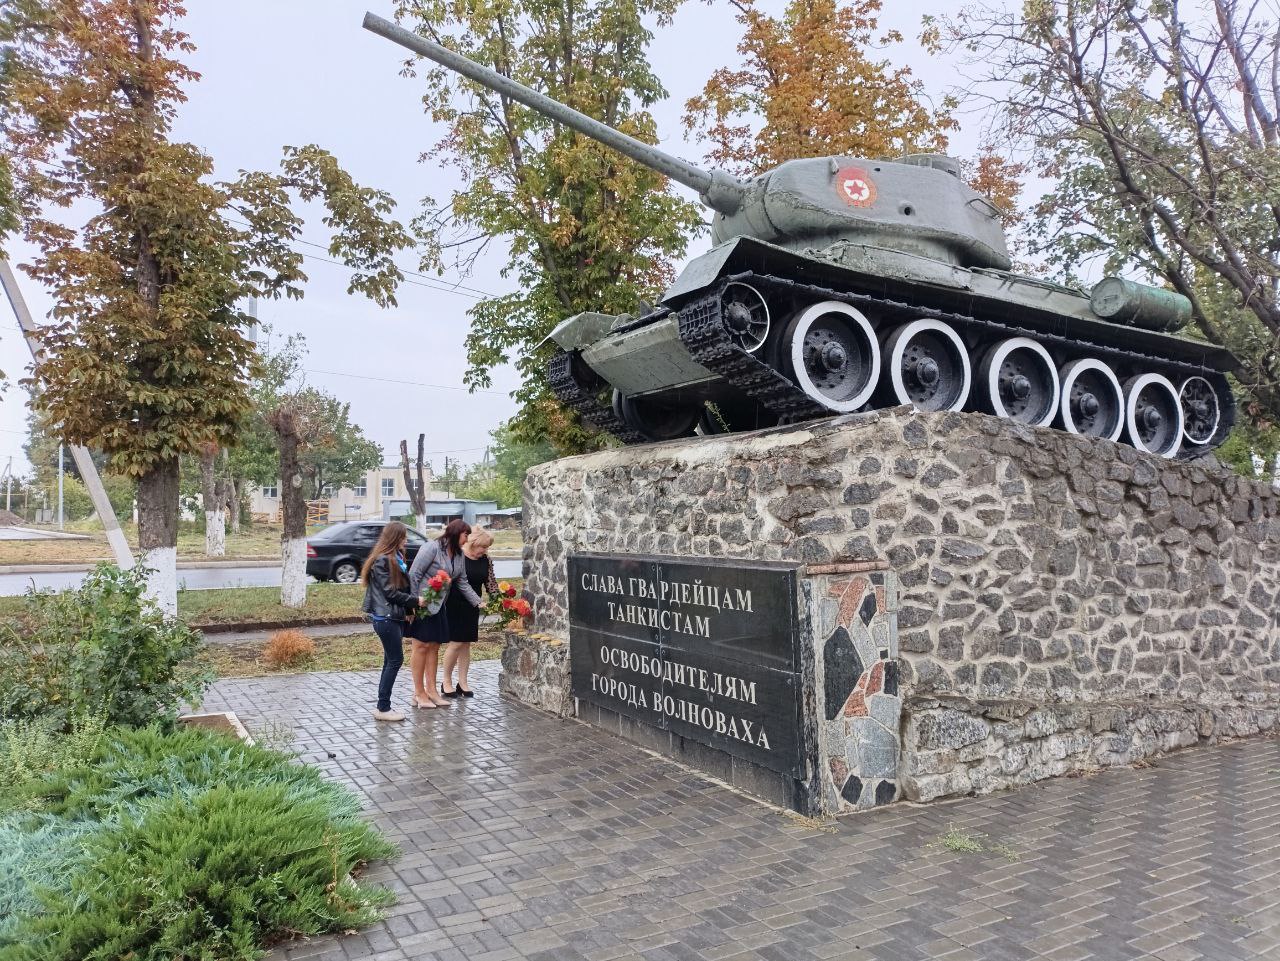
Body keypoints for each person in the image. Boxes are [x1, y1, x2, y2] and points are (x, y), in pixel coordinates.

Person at [407, 519, 482, 705]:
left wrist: (478, 602)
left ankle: (432, 691)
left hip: (439, 607)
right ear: (456, 533)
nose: (466, 540)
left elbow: (462, 581)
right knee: (421, 647)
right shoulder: (431, 548)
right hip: (421, 605)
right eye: (466, 535)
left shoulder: (458, 555)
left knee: (434, 647)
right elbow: (414, 575)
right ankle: (418, 693)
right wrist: (411, 604)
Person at [360, 521, 425, 722]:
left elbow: (400, 588)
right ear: (395, 538)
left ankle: (383, 705)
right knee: (395, 660)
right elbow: (390, 593)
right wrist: (416, 602)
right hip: (385, 617)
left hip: (393, 616)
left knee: (390, 660)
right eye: (404, 536)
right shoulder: (382, 560)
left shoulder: (395, 557)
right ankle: (383, 708)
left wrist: (408, 609)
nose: (406, 540)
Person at [441, 527, 499, 697]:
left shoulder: (485, 560)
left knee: (466, 644)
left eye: (487, 547)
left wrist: (499, 601)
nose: (485, 550)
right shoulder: (458, 555)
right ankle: (446, 681)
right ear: (474, 543)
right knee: (456, 643)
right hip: (455, 603)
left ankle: (463, 682)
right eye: (484, 546)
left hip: (474, 605)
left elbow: (491, 583)